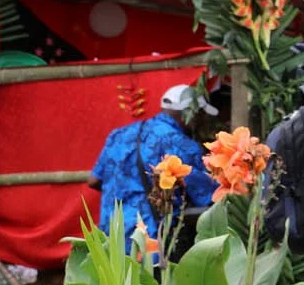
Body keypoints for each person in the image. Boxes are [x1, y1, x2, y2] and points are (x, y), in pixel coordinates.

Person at [89, 83, 218, 238]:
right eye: (200, 114)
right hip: (149, 235)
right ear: (190, 113)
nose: (201, 120)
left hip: (112, 231)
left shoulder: (119, 135)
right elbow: (208, 193)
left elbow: (94, 180)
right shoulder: (180, 143)